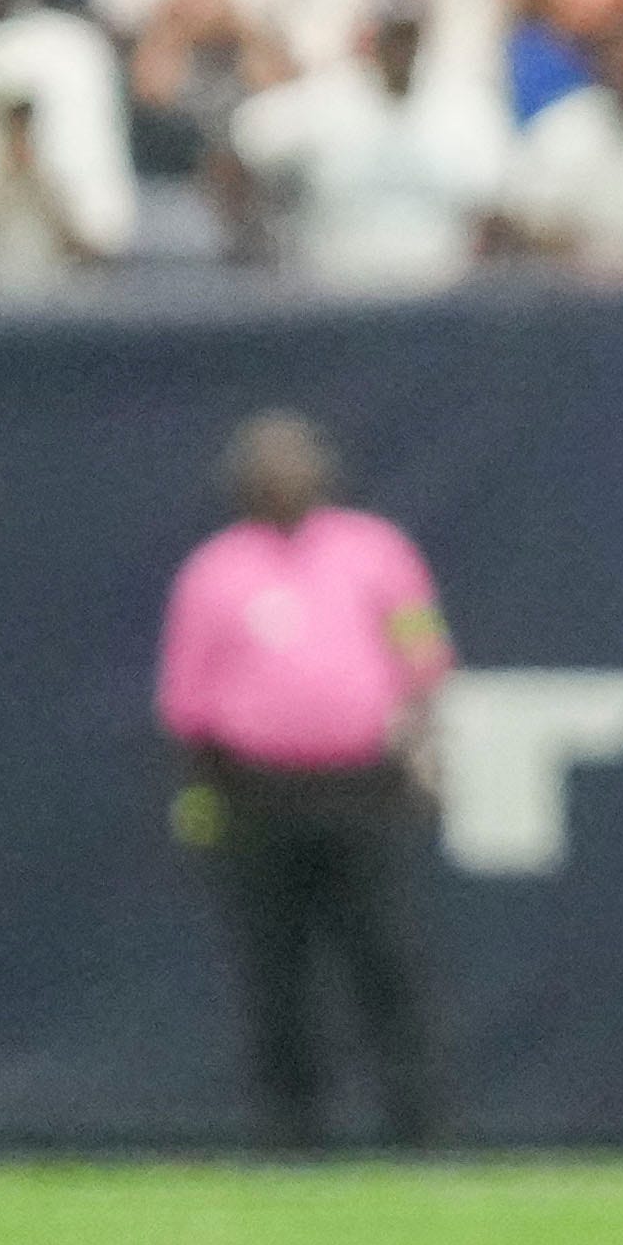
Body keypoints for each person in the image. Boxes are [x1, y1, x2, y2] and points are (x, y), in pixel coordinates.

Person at [154, 412, 453, 1152]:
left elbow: (420, 652)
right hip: (258, 790)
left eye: (295, 461)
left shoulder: (373, 552)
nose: (282, 476)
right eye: (265, 465)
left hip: (361, 782)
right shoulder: (215, 571)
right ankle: (291, 1133)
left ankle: (418, 1127)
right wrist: (200, 795)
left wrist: (422, 746)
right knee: (274, 968)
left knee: (384, 960)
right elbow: (186, 699)